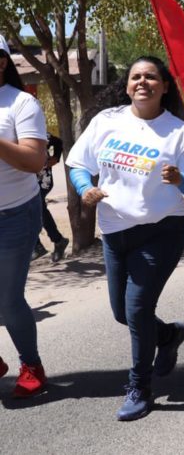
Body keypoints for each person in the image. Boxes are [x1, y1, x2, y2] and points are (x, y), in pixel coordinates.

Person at [67, 57, 184, 420]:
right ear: (128, 84)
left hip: (161, 231)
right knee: (122, 312)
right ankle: (167, 336)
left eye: (151, 77)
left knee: (136, 309)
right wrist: (86, 188)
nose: (142, 82)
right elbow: (78, 164)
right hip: (115, 230)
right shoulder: (107, 122)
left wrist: (181, 179)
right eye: (136, 77)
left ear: (164, 86)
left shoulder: (179, 132)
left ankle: (139, 386)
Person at [0, 34, 49, 399]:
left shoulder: (21, 104)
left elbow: (34, 161)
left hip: (14, 214)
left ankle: (31, 364)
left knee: (7, 298)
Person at [32, 134, 69, 263]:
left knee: (34, 208)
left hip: (41, 178)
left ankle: (37, 246)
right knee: (37, 209)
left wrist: (56, 158)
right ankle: (57, 241)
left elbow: (57, 141)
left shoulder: (29, 128)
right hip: (23, 180)